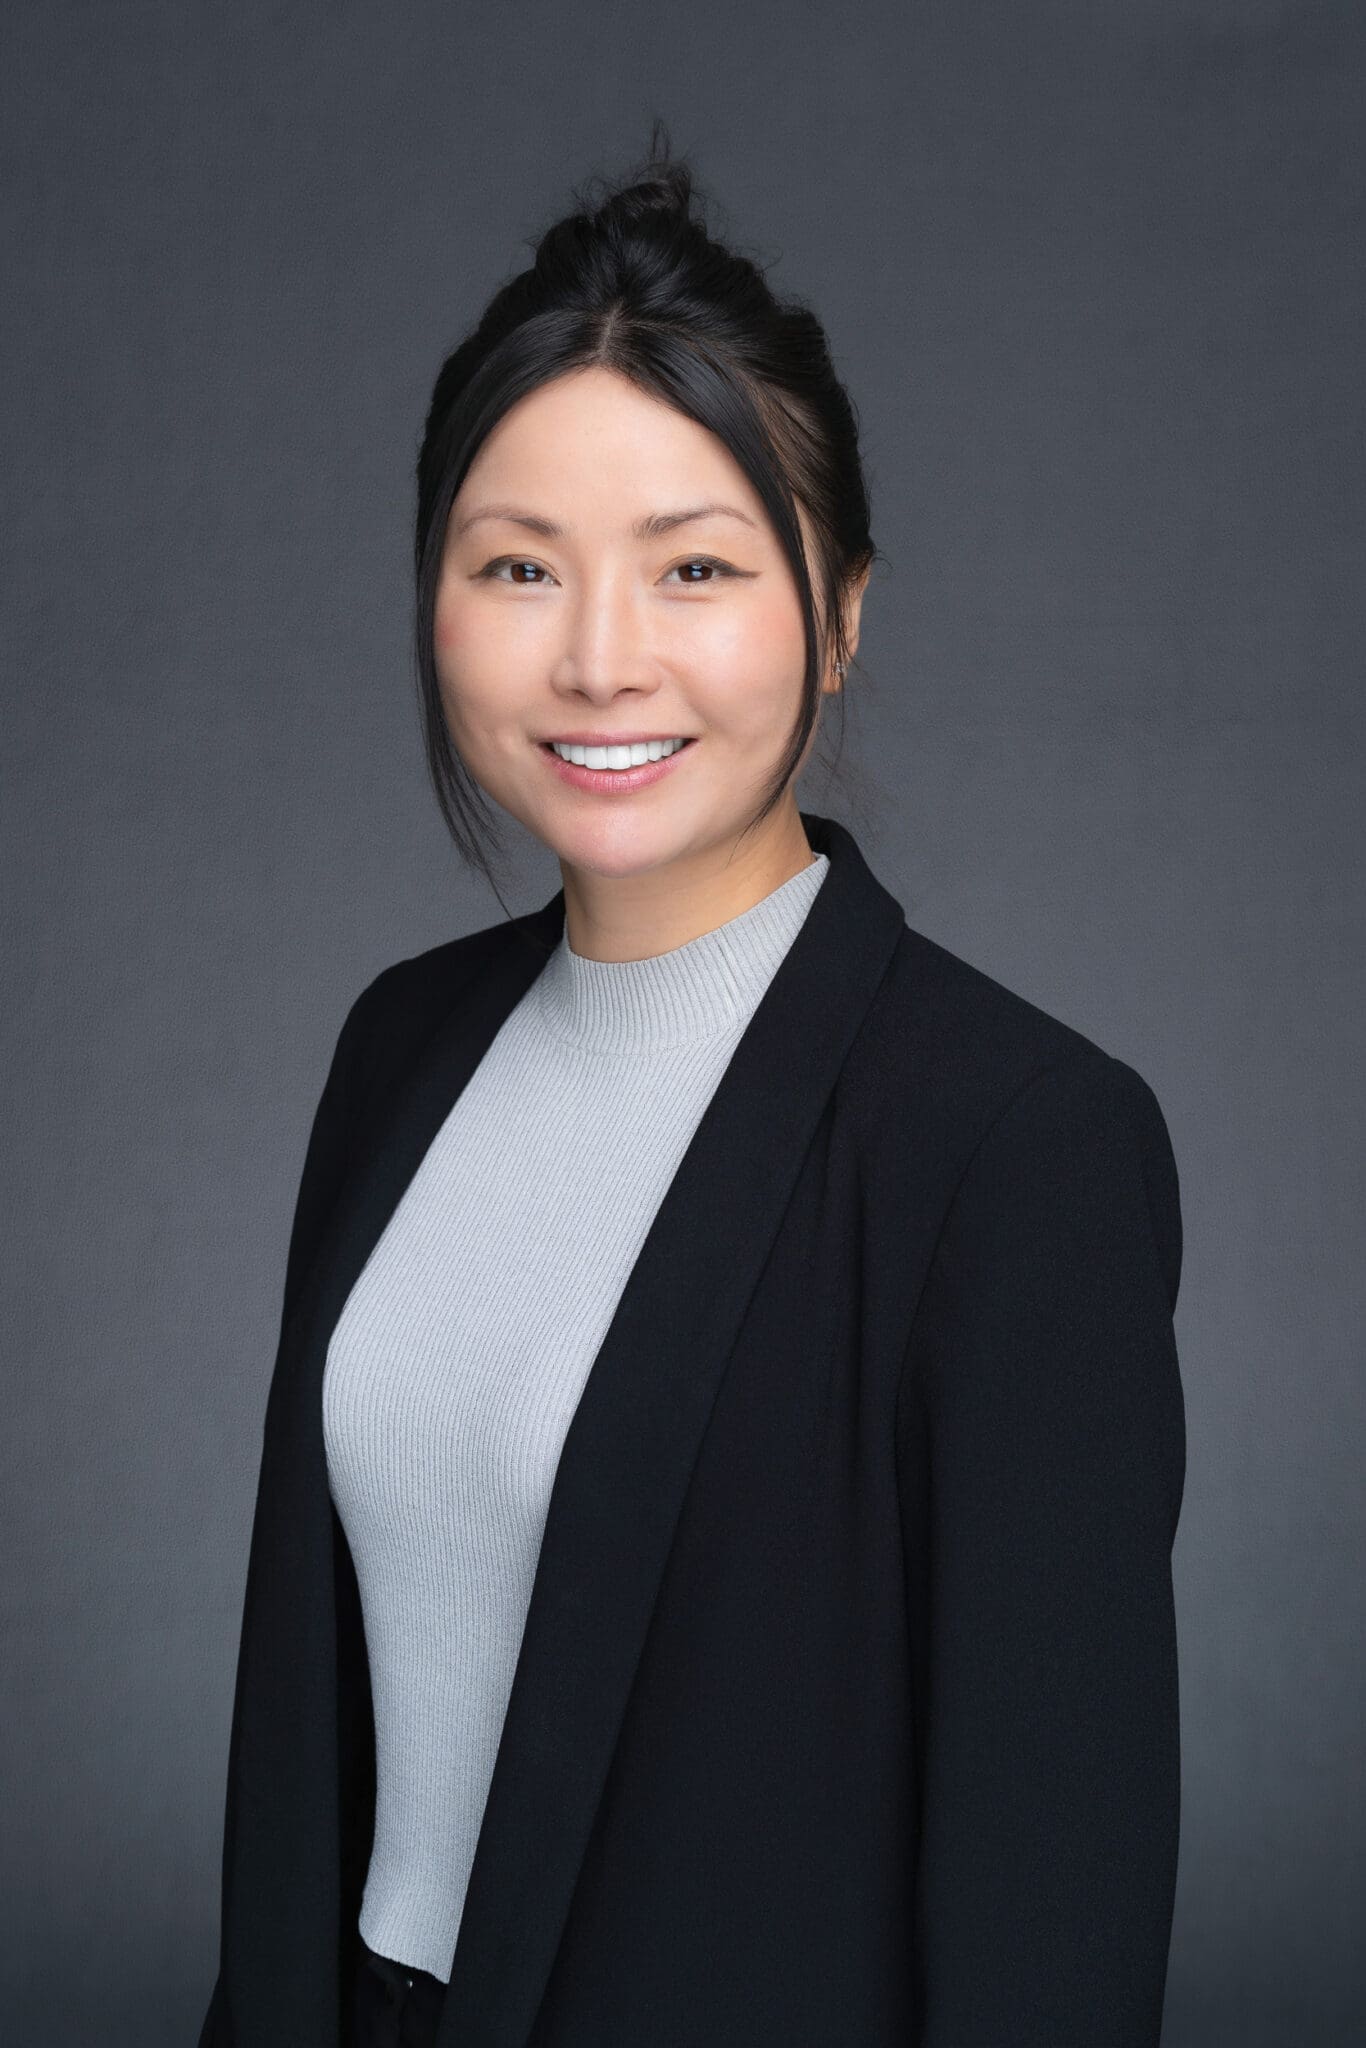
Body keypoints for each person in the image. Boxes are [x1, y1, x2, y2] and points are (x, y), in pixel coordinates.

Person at [197, 127, 1186, 2048]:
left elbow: (1047, 1909)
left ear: (838, 614)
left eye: (696, 567)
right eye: (515, 566)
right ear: (435, 599)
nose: (596, 657)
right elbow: (305, 1730)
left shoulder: (1013, 1144)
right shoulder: (400, 1046)